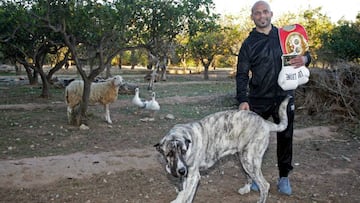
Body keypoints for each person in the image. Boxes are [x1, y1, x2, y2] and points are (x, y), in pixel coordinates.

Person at [235, 0, 311, 196]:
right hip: (258, 100)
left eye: (265, 12)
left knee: (285, 137)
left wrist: (305, 59)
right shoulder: (248, 44)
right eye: (257, 13)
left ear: (271, 14)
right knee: (252, 141)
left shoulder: (284, 36)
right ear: (252, 17)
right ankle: (253, 177)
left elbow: (304, 52)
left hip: (284, 98)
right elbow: (242, 74)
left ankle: (284, 177)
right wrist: (243, 99)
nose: (262, 16)